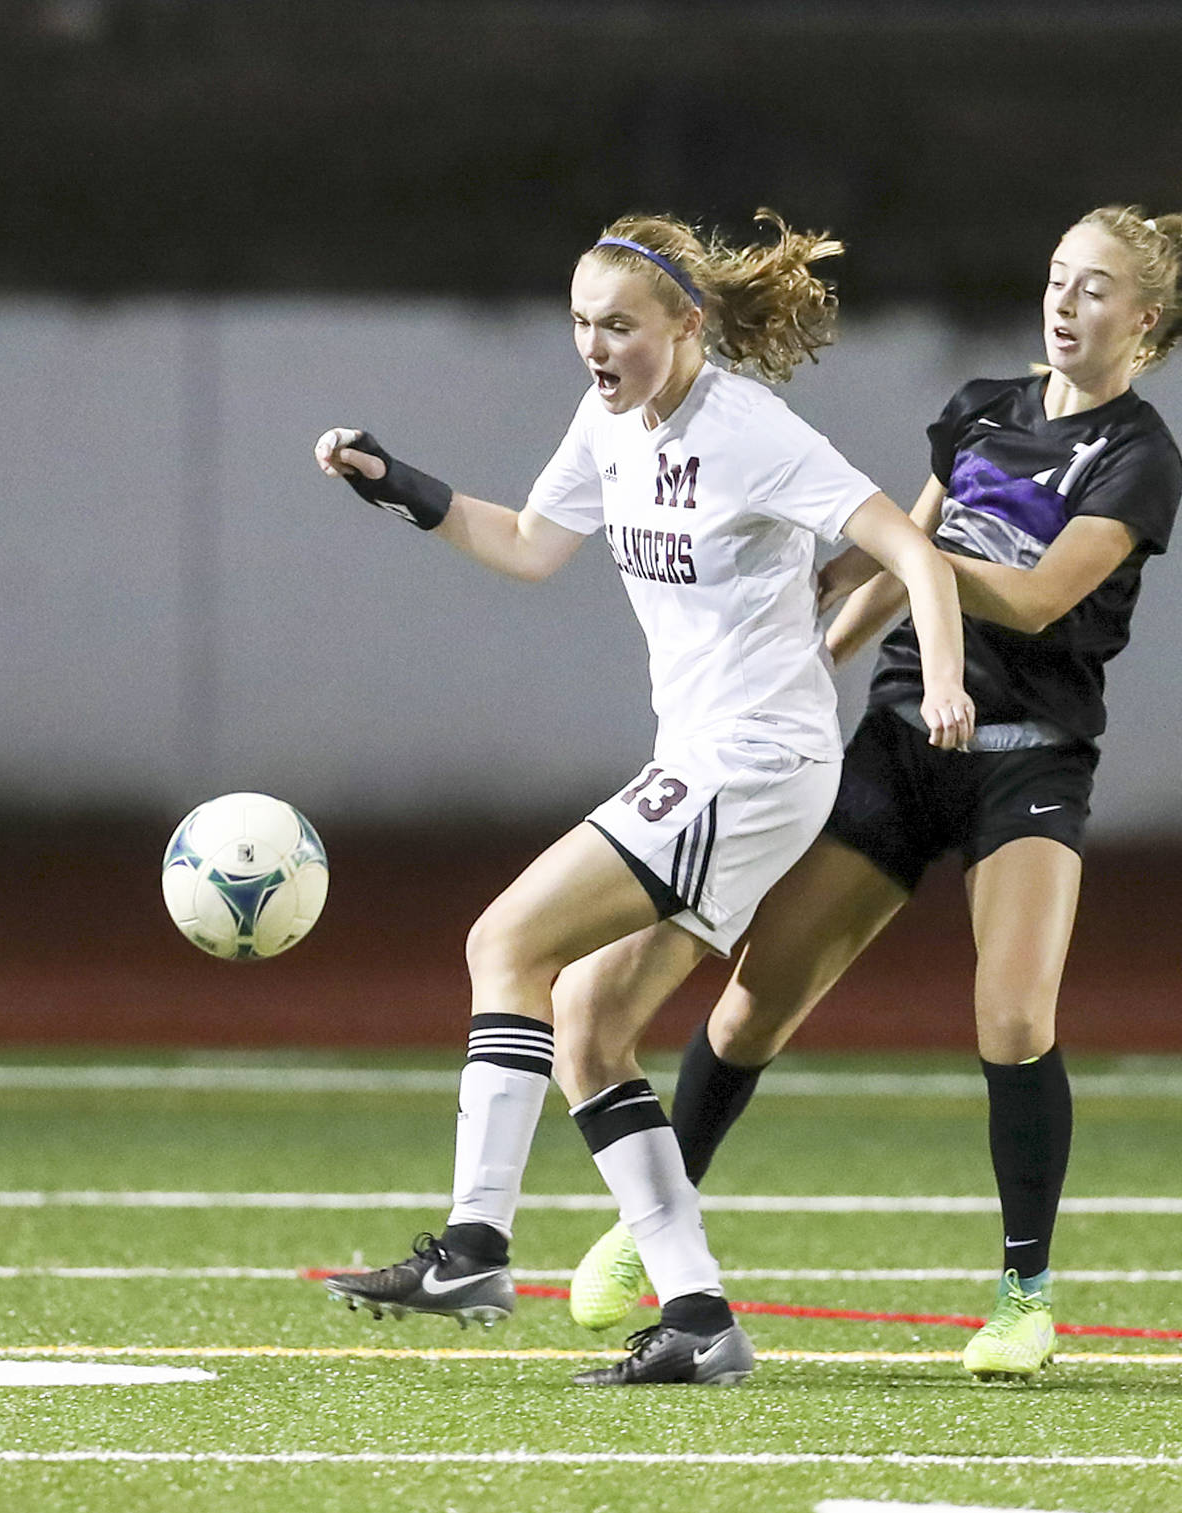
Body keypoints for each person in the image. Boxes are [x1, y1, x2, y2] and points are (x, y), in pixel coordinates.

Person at [313, 209, 975, 1387]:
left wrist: (938, 685)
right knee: (589, 1027)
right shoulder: (606, 423)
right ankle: (700, 1321)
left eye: (617, 325)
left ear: (684, 324)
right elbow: (524, 542)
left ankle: (473, 1243)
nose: (594, 346)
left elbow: (912, 552)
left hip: (755, 759)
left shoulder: (752, 431)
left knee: (502, 939)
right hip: (715, 757)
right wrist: (394, 485)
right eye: (579, 323)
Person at [567, 204, 1182, 1382]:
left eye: (1093, 289)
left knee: (1013, 1018)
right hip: (897, 742)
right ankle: (651, 1224)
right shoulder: (979, 408)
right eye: (1056, 278)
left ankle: (1023, 1294)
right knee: (748, 1008)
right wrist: (818, 643)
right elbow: (886, 555)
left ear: (1147, 318)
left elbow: (1029, 600)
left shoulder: (1138, 454)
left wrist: (910, 557)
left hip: (1026, 757)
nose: (1063, 304)